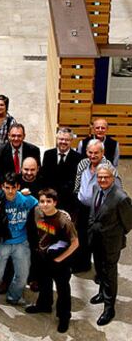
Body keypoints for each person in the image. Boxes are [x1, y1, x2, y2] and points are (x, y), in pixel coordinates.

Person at [0, 173, 37, 318]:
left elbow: (43, 206)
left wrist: (62, 214)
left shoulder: (27, 199)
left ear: (18, 186)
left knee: (22, 276)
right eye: (6, 187)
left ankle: (14, 297)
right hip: (0, 243)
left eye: (13, 188)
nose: (10, 191)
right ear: (2, 187)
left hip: (22, 243)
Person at [25, 188, 79, 334]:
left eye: (49, 201)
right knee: (44, 283)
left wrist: (59, 259)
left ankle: (64, 317)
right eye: (42, 201)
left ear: (55, 202)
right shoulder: (36, 211)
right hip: (42, 257)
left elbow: (75, 243)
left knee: (62, 290)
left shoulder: (63, 220)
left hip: (59, 261)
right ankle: (44, 305)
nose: (45, 204)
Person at [88, 163, 132, 326]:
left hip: (111, 243)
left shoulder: (121, 197)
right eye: (100, 177)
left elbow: (128, 222)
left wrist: (114, 235)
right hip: (96, 239)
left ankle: (109, 308)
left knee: (110, 274)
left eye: (106, 177)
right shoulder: (95, 188)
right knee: (99, 270)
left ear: (113, 178)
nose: (103, 180)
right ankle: (102, 293)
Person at [73, 139, 116, 273]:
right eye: (90, 152)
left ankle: (100, 272)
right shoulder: (83, 164)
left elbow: (115, 189)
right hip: (83, 208)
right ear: (86, 152)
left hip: (98, 210)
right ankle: (83, 264)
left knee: (98, 242)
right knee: (82, 237)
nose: (93, 156)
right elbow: (77, 183)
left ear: (102, 152)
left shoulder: (108, 167)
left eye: (96, 153)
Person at [41, 127, 81, 216]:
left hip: (69, 202)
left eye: (66, 140)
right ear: (57, 139)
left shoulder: (78, 158)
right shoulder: (48, 154)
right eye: (61, 139)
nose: (63, 142)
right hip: (50, 200)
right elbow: (45, 177)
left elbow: (76, 181)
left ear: (71, 141)